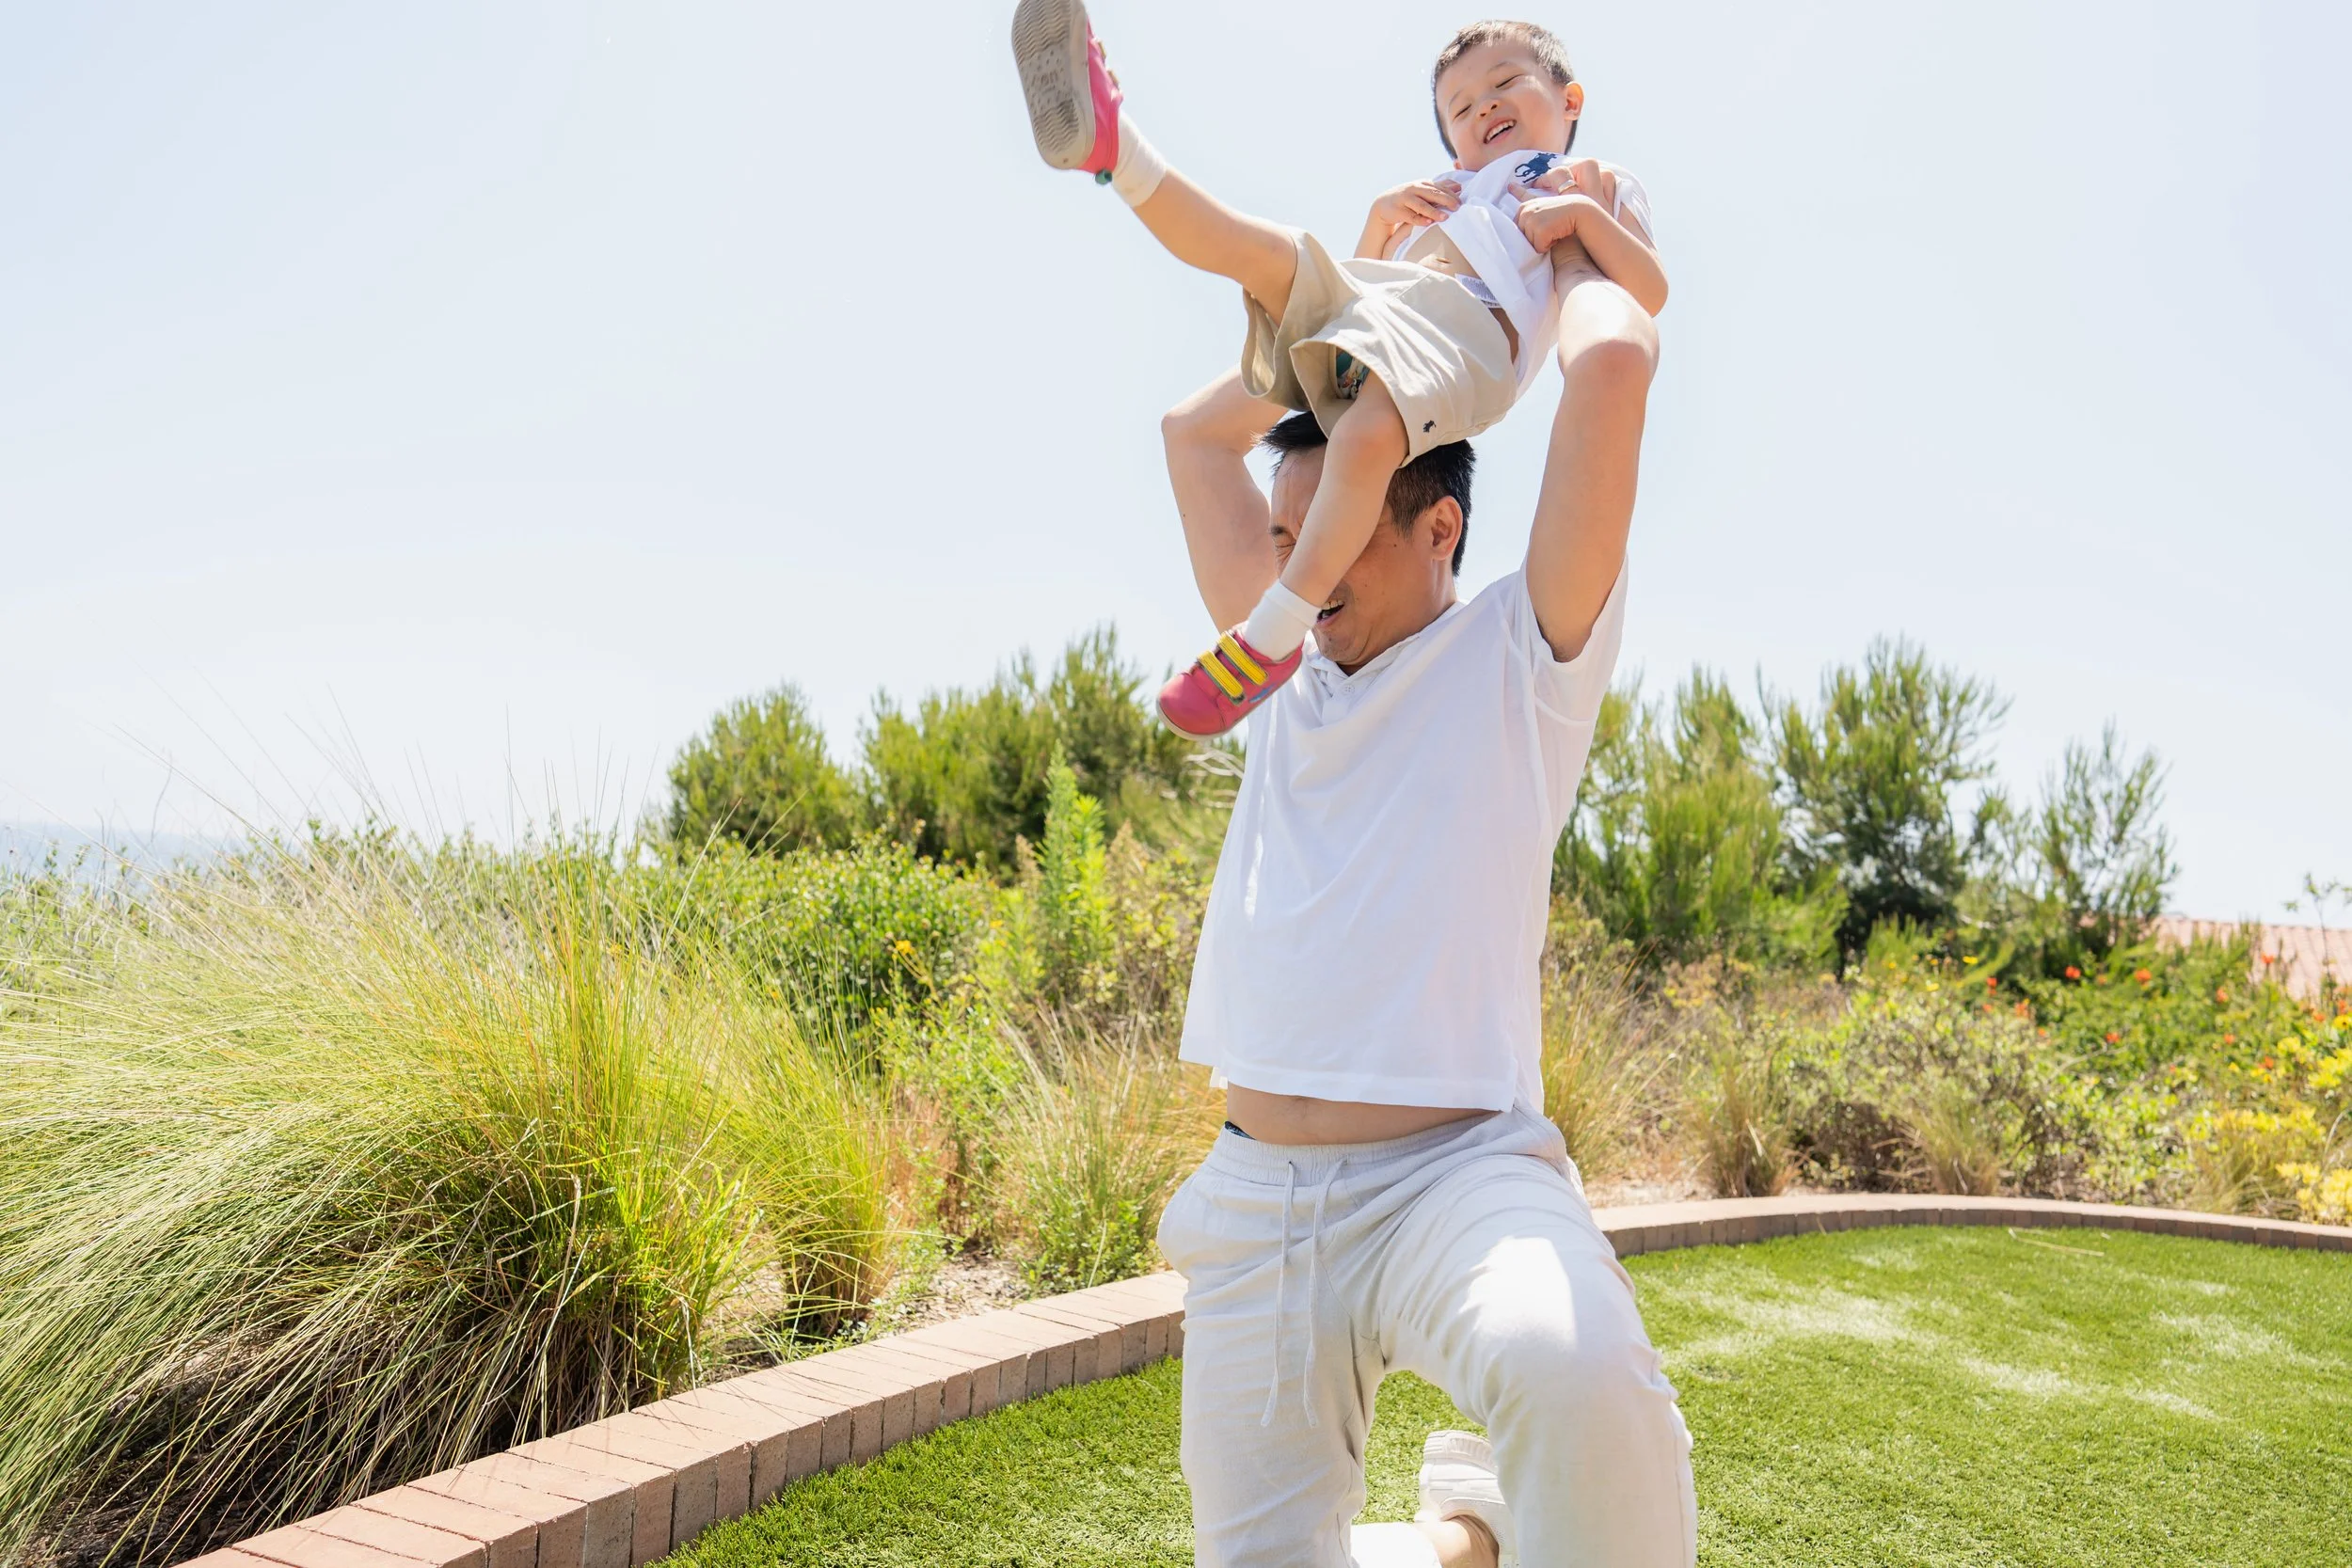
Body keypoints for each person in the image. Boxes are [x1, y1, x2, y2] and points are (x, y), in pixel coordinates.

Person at [1113, 38, 1695, 1568]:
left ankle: (1500, 1516)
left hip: (1458, 1175)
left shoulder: (1525, 652)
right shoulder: (1288, 666)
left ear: (1437, 526)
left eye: (1335, 534)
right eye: (1287, 530)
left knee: (1581, 1380)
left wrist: (1558, 244)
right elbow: (1195, 435)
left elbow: (1618, 370)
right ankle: (1460, 1543)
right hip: (1253, 1192)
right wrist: (1368, 298)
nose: (1290, 568)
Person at [1011, 5, 1666, 737]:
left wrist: (1582, 219)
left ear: (1570, 100)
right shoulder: (1450, 195)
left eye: (1505, 83)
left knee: (1366, 434)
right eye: (1461, 107)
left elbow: (1648, 289)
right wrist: (1382, 227)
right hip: (1397, 313)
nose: (1485, 107)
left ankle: (1272, 633)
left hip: (1470, 339)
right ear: (1453, 146)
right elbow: (1357, 307)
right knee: (1271, 256)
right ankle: (1114, 146)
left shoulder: (1586, 177)